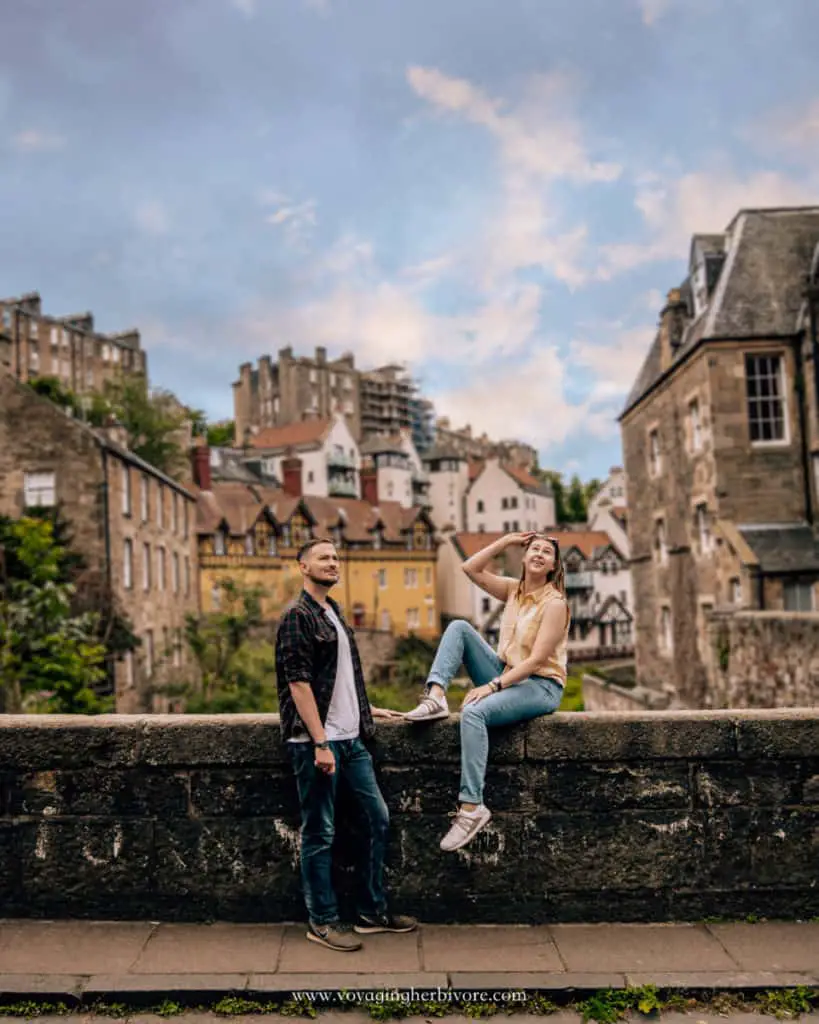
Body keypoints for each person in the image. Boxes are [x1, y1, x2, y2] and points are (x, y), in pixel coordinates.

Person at [275, 537, 417, 952]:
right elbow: (298, 684)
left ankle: (371, 912)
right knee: (320, 831)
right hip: (317, 743)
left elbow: (338, 680)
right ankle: (321, 920)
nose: (333, 563)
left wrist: (369, 711)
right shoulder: (297, 616)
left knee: (378, 818)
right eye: (323, 558)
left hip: (352, 740)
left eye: (336, 557)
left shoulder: (332, 612)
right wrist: (320, 742)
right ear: (303, 567)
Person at [404, 531, 570, 852]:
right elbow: (470, 569)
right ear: (523, 557)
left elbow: (537, 661)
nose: (538, 554)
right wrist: (506, 541)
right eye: (534, 549)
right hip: (509, 673)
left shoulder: (555, 603)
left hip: (541, 685)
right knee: (459, 627)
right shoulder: (513, 590)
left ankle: (471, 808)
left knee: (474, 712)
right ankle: (436, 696)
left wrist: (492, 686)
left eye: (546, 553)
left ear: (553, 566)